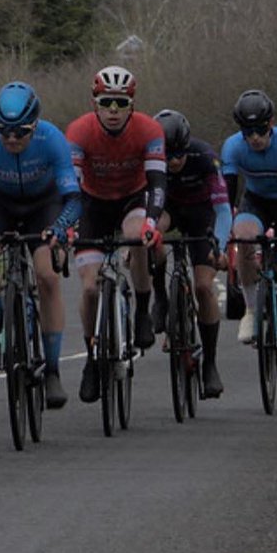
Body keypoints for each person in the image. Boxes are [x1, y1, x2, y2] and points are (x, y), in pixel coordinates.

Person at [0, 82, 81, 409]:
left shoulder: (52, 139)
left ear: (34, 124)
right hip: (0, 203)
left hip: (45, 206)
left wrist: (60, 229)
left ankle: (51, 370)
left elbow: (73, 199)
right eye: (3, 131)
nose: (10, 139)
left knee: (48, 275)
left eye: (20, 132)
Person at [65, 66, 167, 404]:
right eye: (106, 102)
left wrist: (152, 222)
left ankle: (141, 311)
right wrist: (67, 223)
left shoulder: (149, 130)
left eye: (120, 103)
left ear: (131, 105)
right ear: (94, 102)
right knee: (91, 286)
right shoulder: (79, 131)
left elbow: (157, 184)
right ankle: (93, 358)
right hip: (92, 203)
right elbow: (72, 186)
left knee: (138, 235)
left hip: (133, 199)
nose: (113, 110)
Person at [220, 88, 277, 383]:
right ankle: (250, 309)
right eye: (248, 132)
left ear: (271, 124)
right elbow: (228, 197)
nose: (255, 138)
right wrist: (224, 234)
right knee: (245, 237)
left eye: (261, 130)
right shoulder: (233, 148)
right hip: (256, 202)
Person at [150, 109, 232, 399]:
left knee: (203, 287)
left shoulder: (204, 156)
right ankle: (160, 298)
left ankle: (209, 363)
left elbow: (223, 210)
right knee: (152, 236)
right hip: (168, 211)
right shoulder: (150, 157)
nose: (172, 162)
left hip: (201, 216)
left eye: (178, 155)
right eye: (166, 156)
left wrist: (219, 248)